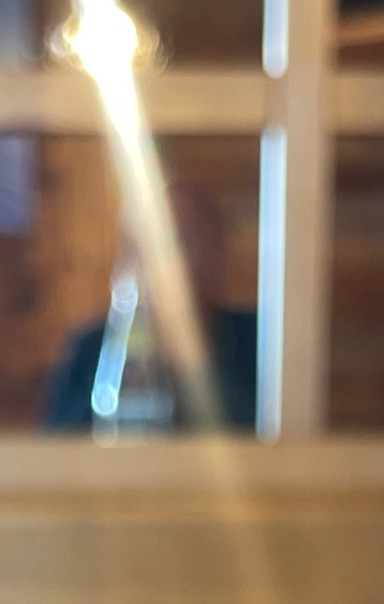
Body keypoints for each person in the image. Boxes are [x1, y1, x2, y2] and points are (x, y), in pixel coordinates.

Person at [42, 181, 257, 433]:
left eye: (180, 245)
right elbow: (59, 452)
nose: (163, 266)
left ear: (221, 255)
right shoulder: (93, 349)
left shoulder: (263, 342)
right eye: (142, 248)